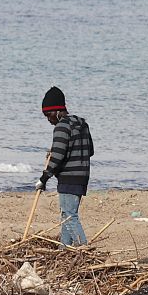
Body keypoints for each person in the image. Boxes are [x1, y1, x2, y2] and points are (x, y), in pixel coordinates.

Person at [36, 86, 94, 247]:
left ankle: (83, 248)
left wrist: (43, 178)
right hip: (82, 177)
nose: (48, 119)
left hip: (69, 178)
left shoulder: (61, 127)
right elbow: (90, 151)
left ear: (58, 111)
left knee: (69, 216)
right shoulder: (82, 125)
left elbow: (58, 156)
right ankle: (64, 249)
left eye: (48, 115)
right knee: (66, 215)